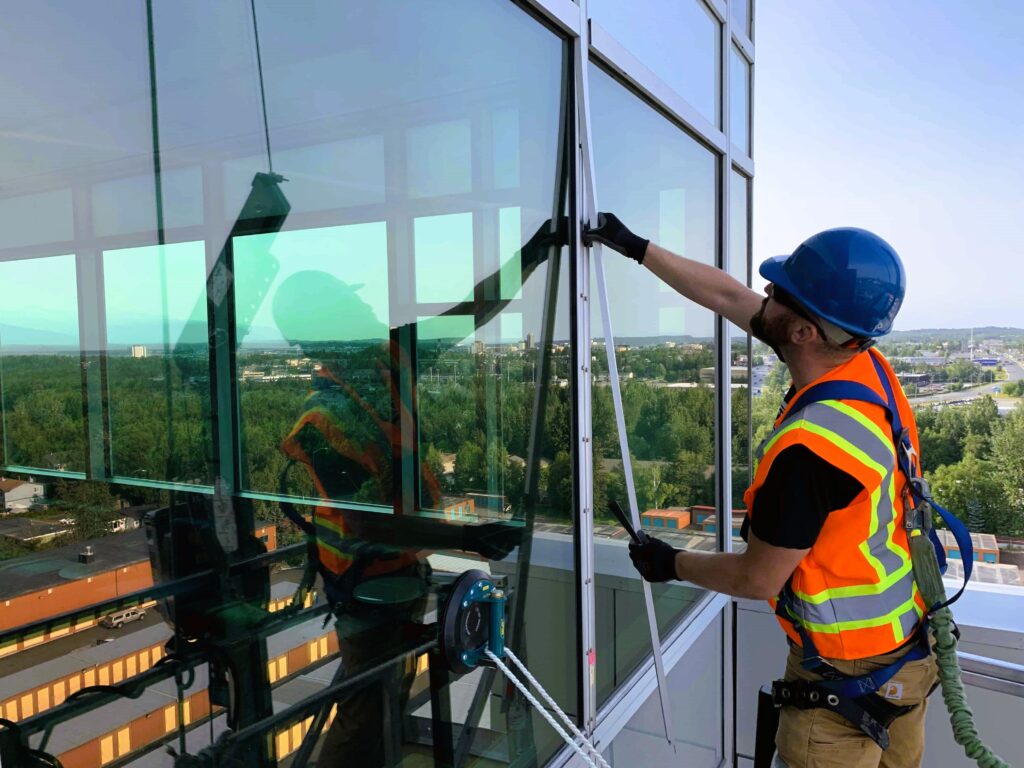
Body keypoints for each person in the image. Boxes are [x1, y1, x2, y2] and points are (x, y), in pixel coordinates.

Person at [585, 213, 939, 768]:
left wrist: (670, 562)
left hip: (842, 679)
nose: (764, 293)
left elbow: (758, 577)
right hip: (906, 653)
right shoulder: (865, 365)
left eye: (777, 291)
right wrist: (635, 247)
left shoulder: (812, 449)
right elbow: (728, 295)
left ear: (802, 332)